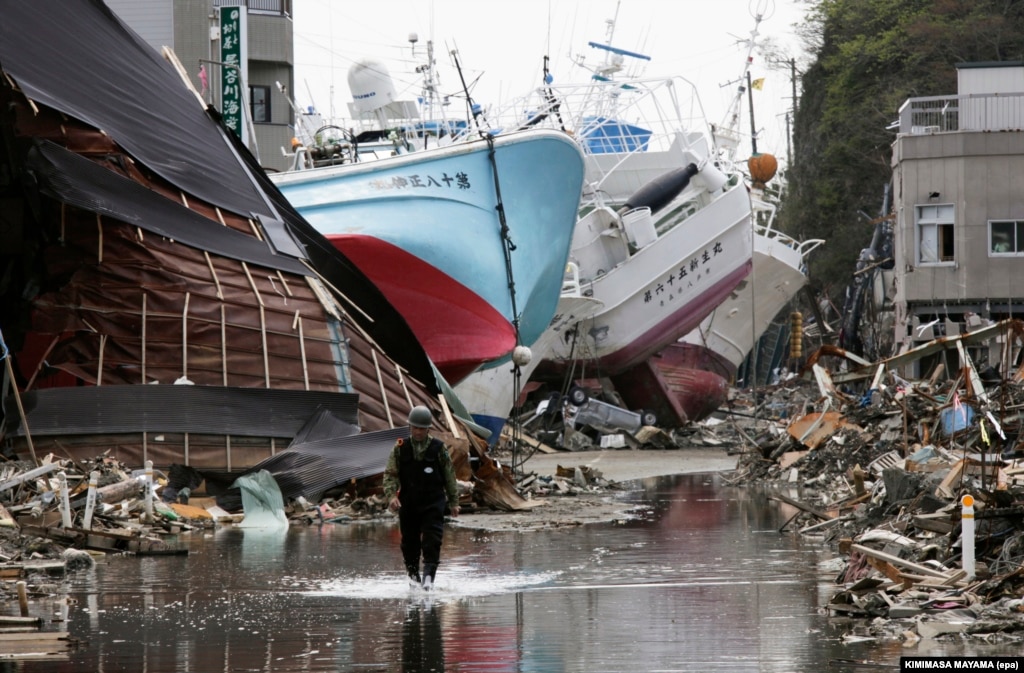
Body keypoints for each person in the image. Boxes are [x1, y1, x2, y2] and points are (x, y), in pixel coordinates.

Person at [383, 405, 460, 590]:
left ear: (428, 429)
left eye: (421, 428)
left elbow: (450, 476)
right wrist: (391, 496)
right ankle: (413, 577)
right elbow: (390, 475)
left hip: (433, 503)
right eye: (414, 427)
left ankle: (428, 578)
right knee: (409, 544)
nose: (417, 432)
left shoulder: (439, 449)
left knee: (432, 540)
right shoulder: (400, 448)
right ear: (410, 427)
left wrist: (454, 501)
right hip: (409, 504)